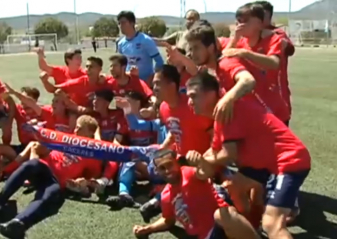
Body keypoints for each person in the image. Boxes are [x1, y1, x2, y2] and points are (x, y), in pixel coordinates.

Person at [185, 69, 311, 239]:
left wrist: (202, 160)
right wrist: (198, 163)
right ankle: (252, 227)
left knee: (272, 223)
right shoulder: (220, 119)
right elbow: (214, 153)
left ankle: (260, 225)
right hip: (266, 162)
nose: (189, 102)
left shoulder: (227, 111)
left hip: (288, 158)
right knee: (234, 186)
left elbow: (228, 154)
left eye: (193, 96)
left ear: (212, 94)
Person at [0, 115, 100, 238]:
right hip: (44, 169)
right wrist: (36, 150)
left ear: (90, 133)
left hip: (56, 182)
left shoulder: (92, 154)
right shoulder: (67, 139)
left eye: (79, 128)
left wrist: (83, 182)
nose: (75, 131)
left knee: (52, 193)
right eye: (75, 127)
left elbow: (93, 179)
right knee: (32, 164)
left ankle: (18, 223)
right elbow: (39, 147)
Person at [133, 149, 260, 239]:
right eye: (162, 168)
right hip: (208, 236)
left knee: (222, 214)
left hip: (223, 224)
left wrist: (200, 161)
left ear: (177, 163)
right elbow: (168, 220)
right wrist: (148, 228)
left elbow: (207, 172)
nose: (167, 171)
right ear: (157, 171)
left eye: (169, 165)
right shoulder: (165, 195)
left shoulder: (187, 173)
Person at [222, 3, 290, 125]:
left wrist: (245, 53)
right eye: (238, 21)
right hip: (251, 110)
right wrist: (235, 38)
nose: (240, 25)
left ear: (259, 23)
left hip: (275, 109)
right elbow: (224, 59)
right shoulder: (239, 42)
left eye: (245, 21)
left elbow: (274, 63)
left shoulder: (273, 39)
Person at [154, 65, 212, 156]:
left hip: (204, 163)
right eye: (154, 84)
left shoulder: (193, 106)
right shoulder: (163, 108)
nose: (154, 88)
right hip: (181, 160)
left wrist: (204, 160)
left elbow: (216, 135)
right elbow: (174, 130)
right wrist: (163, 147)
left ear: (172, 85)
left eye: (158, 84)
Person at [256, 0, 295, 126]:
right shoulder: (249, 35)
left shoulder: (278, 34)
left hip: (278, 95)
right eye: (257, 15)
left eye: (263, 15)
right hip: (257, 95)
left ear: (269, 17)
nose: (260, 19)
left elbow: (288, 47)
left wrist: (271, 36)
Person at [117, 11, 164, 85]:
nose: (120, 26)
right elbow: (121, 65)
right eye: (119, 23)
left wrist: (151, 79)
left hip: (145, 84)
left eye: (123, 23)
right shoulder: (121, 44)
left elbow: (159, 62)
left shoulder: (146, 40)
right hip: (128, 84)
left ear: (132, 23)